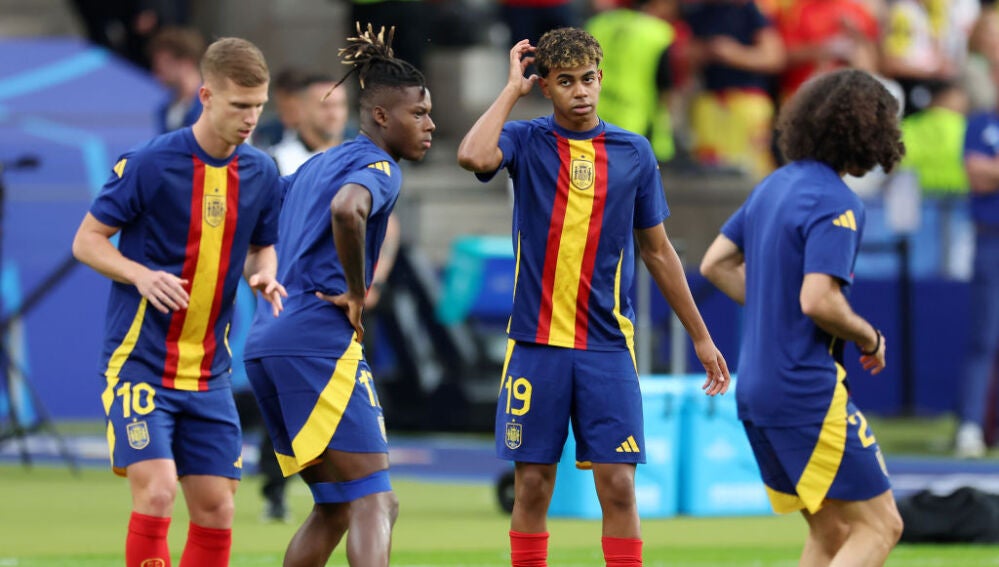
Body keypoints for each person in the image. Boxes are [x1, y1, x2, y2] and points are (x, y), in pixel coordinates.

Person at [456, 28, 730, 566]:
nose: (580, 91)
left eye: (587, 80)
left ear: (600, 79)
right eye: (565, 82)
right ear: (547, 87)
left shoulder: (633, 152)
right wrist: (511, 89)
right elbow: (471, 155)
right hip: (535, 345)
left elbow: (658, 252)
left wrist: (701, 336)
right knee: (533, 485)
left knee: (620, 487)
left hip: (607, 348)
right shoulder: (527, 139)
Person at [71, 36, 286, 567]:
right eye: (239, 106)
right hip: (139, 363)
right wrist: (140, 275)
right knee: (159, 490)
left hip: (208, 371)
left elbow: (264, 246)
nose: (250, 119)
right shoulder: (150, 162)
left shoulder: (260, 172)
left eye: (258, 107)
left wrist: (265, 275)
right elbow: (87, 241)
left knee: (217, 507)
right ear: (206, 95)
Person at [242, 23, 434, 567]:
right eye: (418, 114)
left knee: (334, 507)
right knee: (378, 498)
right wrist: (356, 292)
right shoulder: (379, 166)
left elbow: (266, 223)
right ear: (380, 116)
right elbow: (348, 209)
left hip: (268, 340)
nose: (430, 124)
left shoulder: (315, 164)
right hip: (317, 343)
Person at [700, 68, 906, 565]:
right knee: (881, 526)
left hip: (756, 391)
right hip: (804, 391)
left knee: (832, 532)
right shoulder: (838, 202)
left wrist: (773, 302)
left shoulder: (774, 186)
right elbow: (818, 300)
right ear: (869, 131)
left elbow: (715, 264)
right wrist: (868, 335)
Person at [955, 59, 999, 459]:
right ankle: (971, 425)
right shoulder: (979, 123)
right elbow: (975, 175)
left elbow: (987, 173)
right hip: (991, 240)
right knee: (985, 336)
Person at [268, 71, 353, 175]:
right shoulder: (280, 161)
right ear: (302, 109)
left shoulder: (362, 157)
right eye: (325, 106)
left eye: (340, 105)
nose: (334, 115)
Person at [148, 26, 206, 133]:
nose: (158, 71)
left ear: (187, 63)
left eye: (166, 63)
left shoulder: (213, 108)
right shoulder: (164, 110)